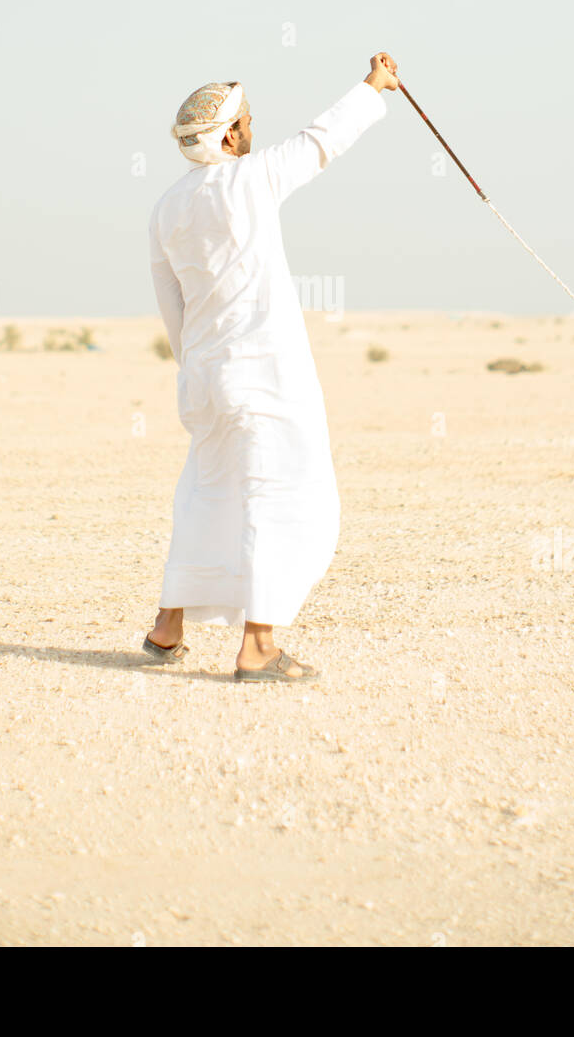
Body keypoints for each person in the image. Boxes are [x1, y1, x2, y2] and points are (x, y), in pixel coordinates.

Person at [145, 53, 399, 681]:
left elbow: (170, 305)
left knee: (208, 495)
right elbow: (321, 142)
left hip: (205, 378)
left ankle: (167, 628)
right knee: (281, 495)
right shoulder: (250, 180)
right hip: (265, 375)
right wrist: (373, 86)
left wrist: (197, 372)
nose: (254, 130)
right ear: (230, 135)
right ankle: (257, 648)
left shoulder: (166, 208)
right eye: (249, 122)